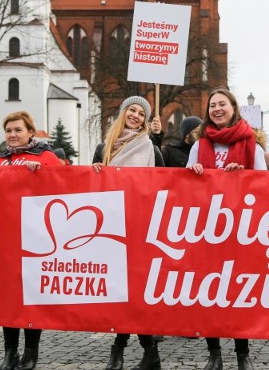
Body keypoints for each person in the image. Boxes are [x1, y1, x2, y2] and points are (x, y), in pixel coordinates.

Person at [0, 111, 59, 370]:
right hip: (5, 244)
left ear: (31, 131)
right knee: (7, 297)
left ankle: (31, 353)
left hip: (36, 241)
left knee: (32, 297)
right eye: (9, 131)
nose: (13, 135)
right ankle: (9, 352)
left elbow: (65, 186)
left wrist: (42, 174)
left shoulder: (46, 157)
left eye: (18, 130)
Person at [186, 88, 265, 370]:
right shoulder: (200, 144)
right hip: (206, 228)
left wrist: (241, 176)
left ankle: (242, 354)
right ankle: (215, 354)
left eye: (222, 104)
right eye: (212, 106)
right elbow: (185, 185)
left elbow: (264, 185)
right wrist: (194, 172)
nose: (216, 109)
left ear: (233, 107)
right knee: (209, 294)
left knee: (237, 292)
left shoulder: (250, 142)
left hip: (240, 227)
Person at [92, 96, 159, 370]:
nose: (135, 115)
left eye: (141, 113)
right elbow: (92, 188)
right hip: (110, 227)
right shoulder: (103, 147)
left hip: (138, 226)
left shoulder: (150, 148)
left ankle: (121, 352)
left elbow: (160, 186)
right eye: (131, 109)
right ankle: (146, 353)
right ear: (122, 112)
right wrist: (94, 171)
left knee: (134, 293)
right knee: (119, 292)